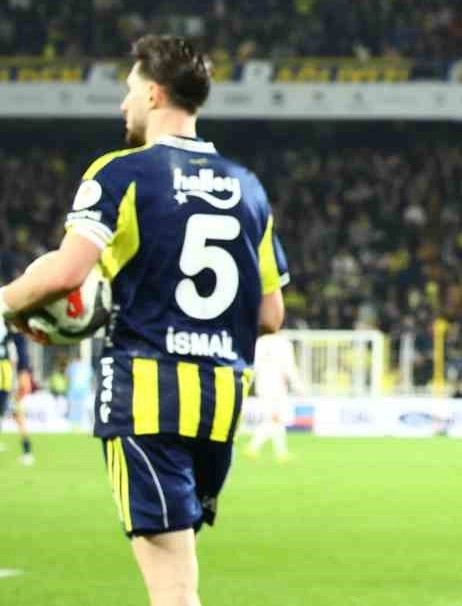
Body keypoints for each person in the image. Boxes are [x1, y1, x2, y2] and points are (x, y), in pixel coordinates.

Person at [0, 35, 289, 606]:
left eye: (129, 90)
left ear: (154, 94)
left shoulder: (119, 173)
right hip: (218, 405)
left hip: (147, 395)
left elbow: (67, 273)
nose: (123, 104)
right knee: (181, 573)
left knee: (173, 591)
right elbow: (270, 314)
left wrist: (6, 301)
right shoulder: (248, 187)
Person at [245, 330, 303, 462]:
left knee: (275, 419)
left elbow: (254, 365)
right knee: (274, 419)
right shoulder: (283, 343)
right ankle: (254, 447)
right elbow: (289, 367)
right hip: (277, 386)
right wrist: (297, 385)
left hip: (262, 385)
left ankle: (279, 452)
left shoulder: (260, 342)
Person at [0, 316, 36, 464]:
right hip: (7, 370)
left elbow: (20, 342)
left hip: (5, 371)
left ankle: (27, 450)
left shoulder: (6, 313)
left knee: (16, 410)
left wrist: (23, 372)